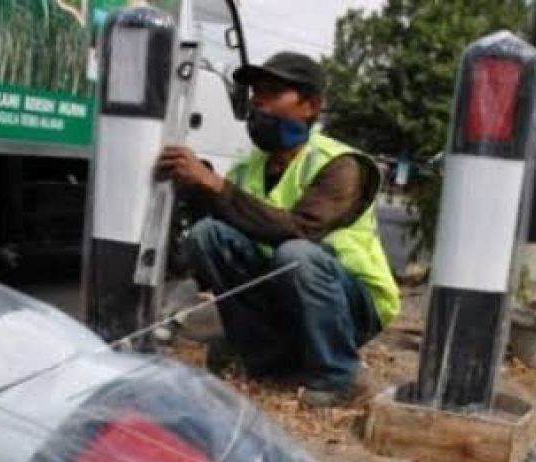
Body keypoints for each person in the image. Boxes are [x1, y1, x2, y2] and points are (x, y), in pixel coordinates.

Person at [157, 52, 400, 408]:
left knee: (296, 254)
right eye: (255, 92)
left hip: (352, 304)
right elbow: (216, 240)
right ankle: (265, 359)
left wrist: (214, 185)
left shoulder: (340, 164)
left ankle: (337, 376)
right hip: (285, 291)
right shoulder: (248, 166)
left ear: (310, 105)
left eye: (272, 92)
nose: (257, 102)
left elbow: (300, 230)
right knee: (207, 235)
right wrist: (195, 192)